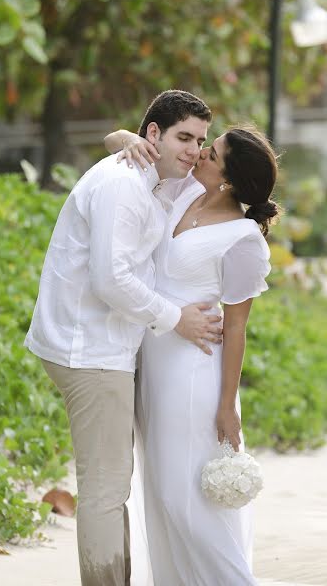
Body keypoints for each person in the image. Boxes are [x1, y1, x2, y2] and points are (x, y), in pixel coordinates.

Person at [24, 90, 224, 586]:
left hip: (105, 348)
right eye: (184, 137)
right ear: (152, 134)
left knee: (113, 485)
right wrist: (176, 317)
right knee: (105, 490)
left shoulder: (153, 180)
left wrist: (119, 137)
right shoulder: (124, 185)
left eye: (200, 140)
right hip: (88, 351)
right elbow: (109, 280)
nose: (195, 150)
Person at [104, 125, 280, 585]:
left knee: (184, 502)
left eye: (214, 153)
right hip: (154, 364)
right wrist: (129, 138)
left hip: (193, 377)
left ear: (230, 180)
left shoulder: (243, 239)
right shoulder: (184, 192)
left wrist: (226, 406)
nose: (201, 152)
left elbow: (237, 327)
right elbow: (115, 140)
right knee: (160, 494)